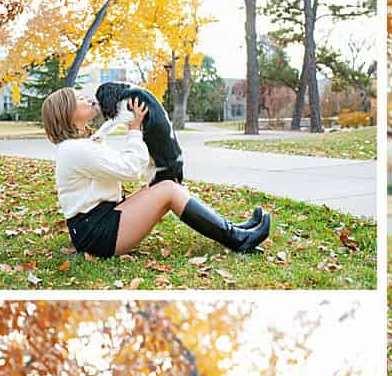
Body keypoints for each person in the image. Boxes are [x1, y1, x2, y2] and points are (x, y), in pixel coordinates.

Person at [38, 86, 270, 261]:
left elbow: (110, 160)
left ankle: (235, 230)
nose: (88, 99)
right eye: (79, 99)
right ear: (67, 113)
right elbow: (130, 170)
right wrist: (135, 130)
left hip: (101, 220)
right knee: (168, 189)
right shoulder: (75, 149)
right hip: (97, 234)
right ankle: (239, 239)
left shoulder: (79, 145)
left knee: (167, 184)